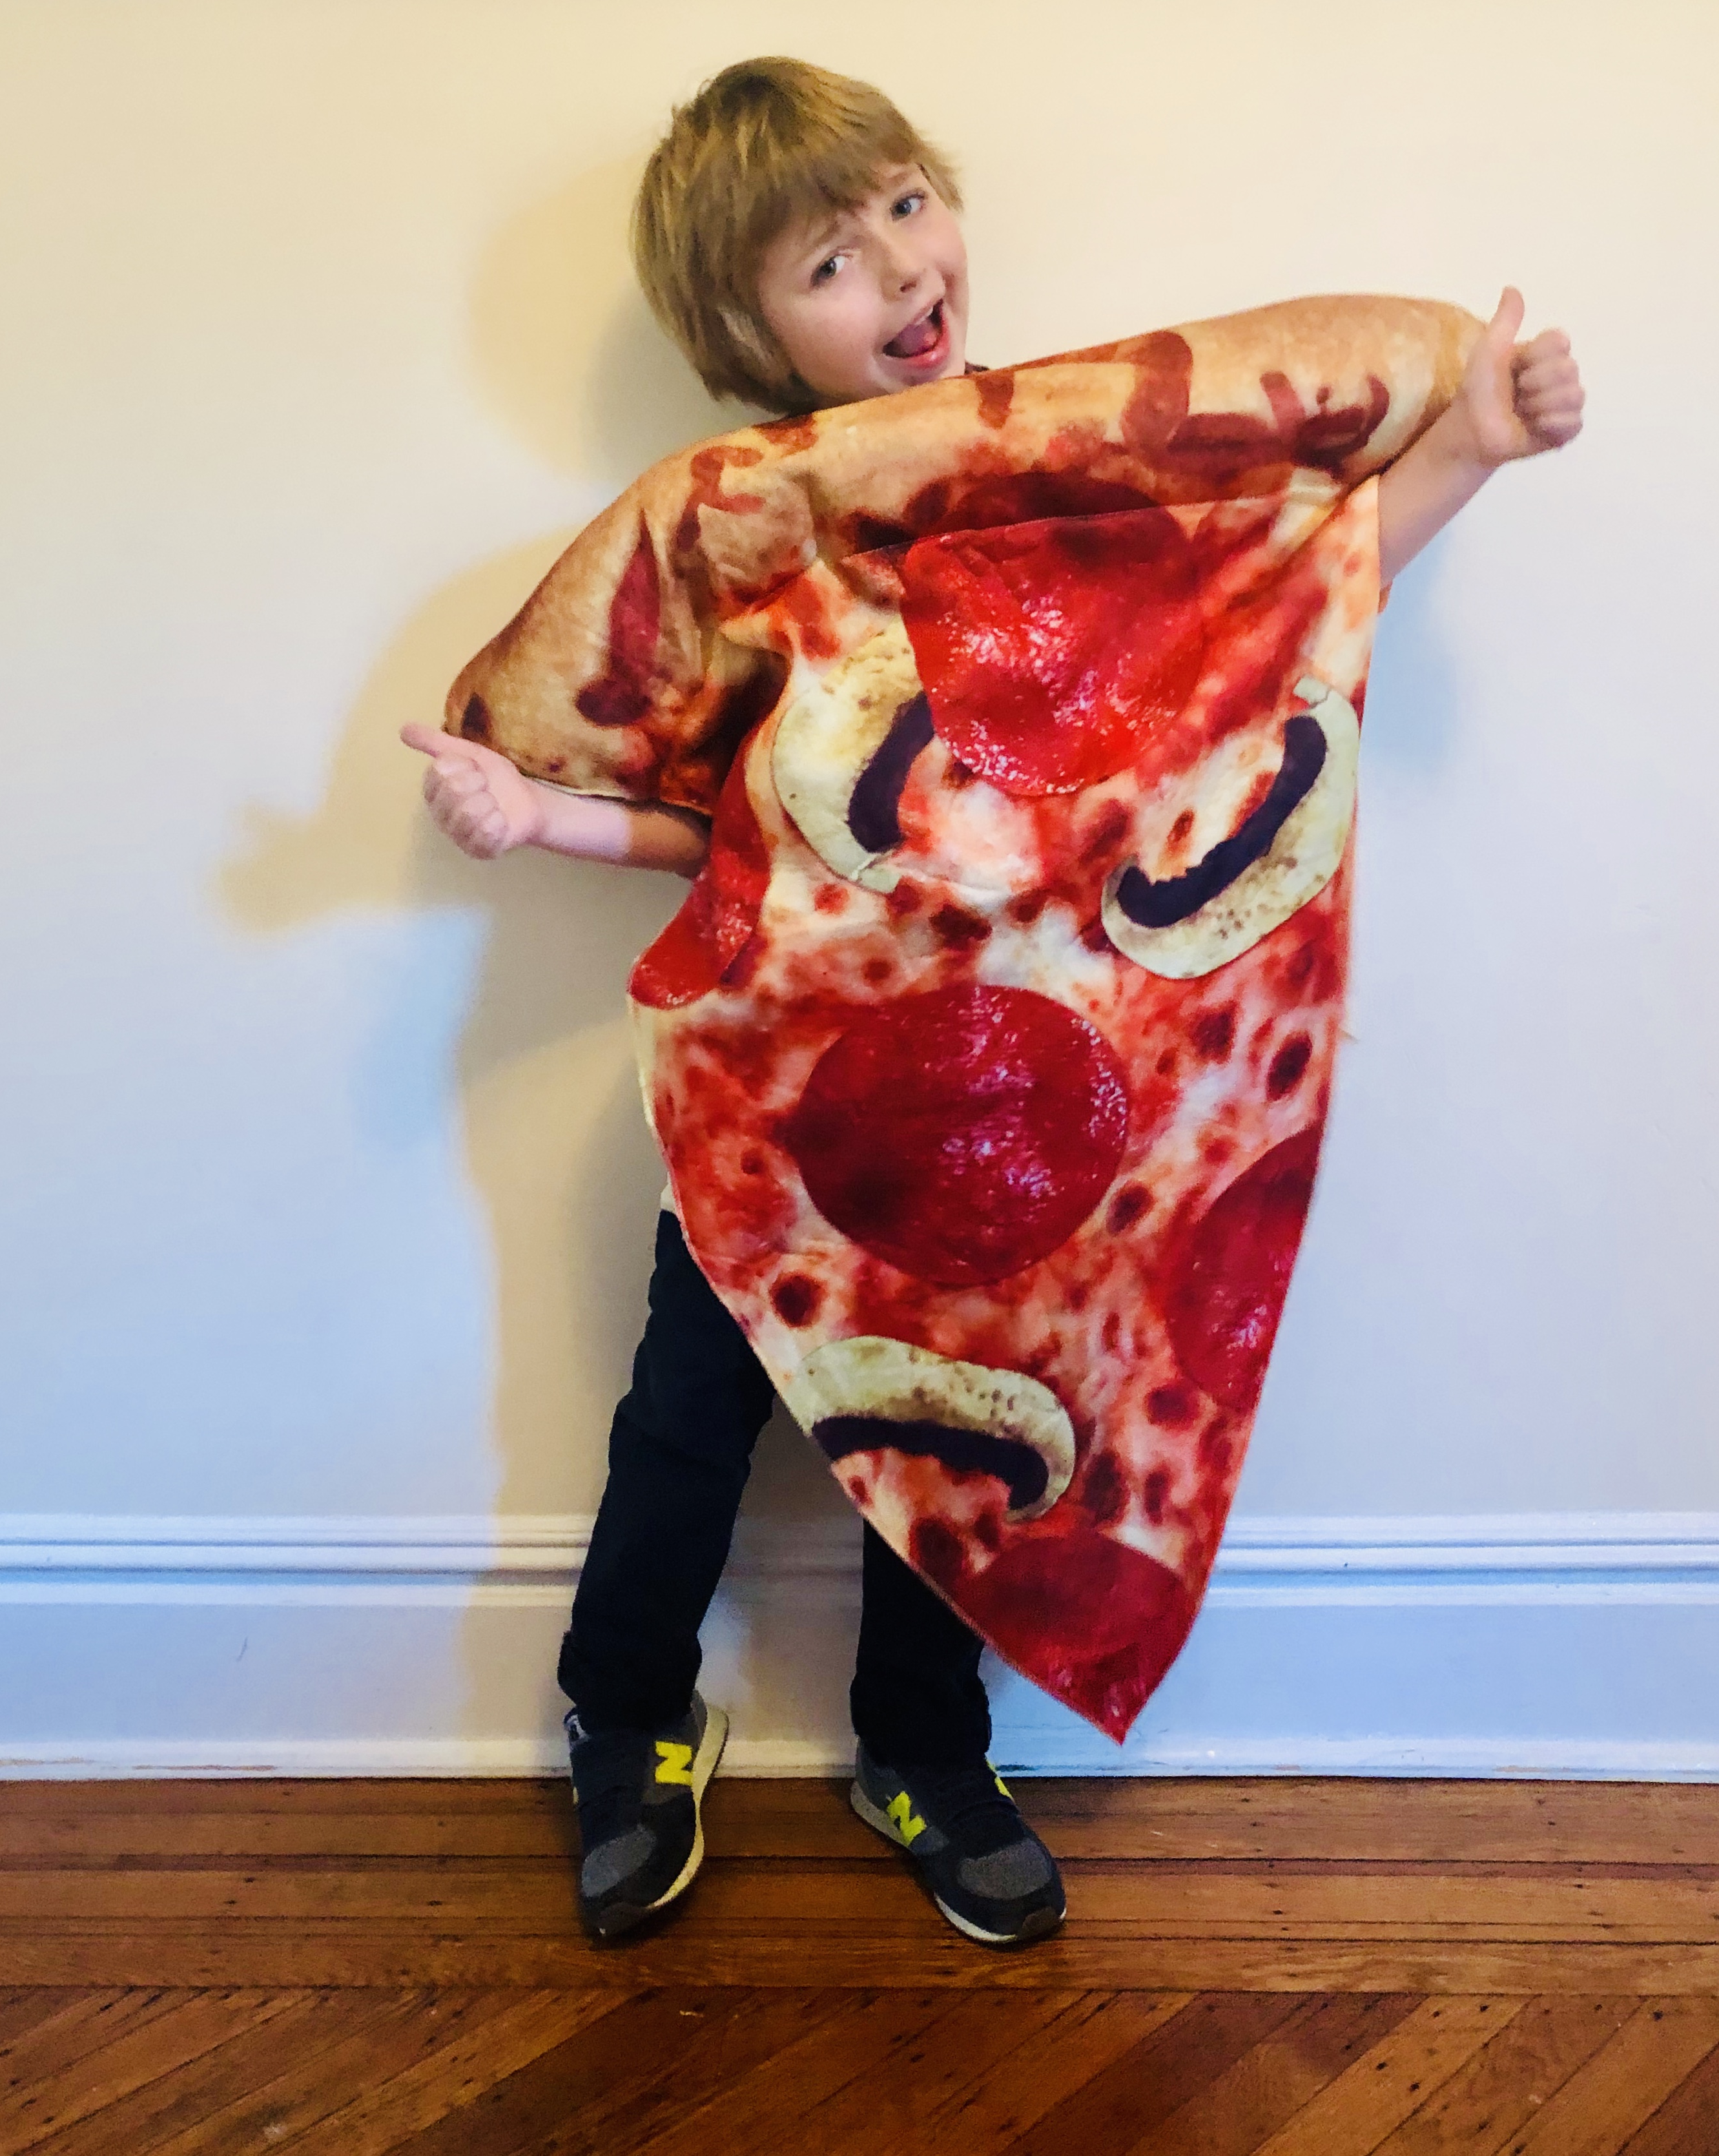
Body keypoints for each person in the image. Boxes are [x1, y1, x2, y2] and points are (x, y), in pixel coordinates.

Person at [401, 57, 1584, 1945]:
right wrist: (534, 811)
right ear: (744, 334)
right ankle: (626, 1720)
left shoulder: (1089, 487)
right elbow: (719, 818)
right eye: (825, 262)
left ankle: (924, 1749)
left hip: (1030, 1108)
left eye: (901, 205)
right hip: (773, 1096)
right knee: (683, 1422)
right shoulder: (748, 526)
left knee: (974, 1430)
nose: (896, 267)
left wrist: (1473, 445)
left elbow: (1287, 593)